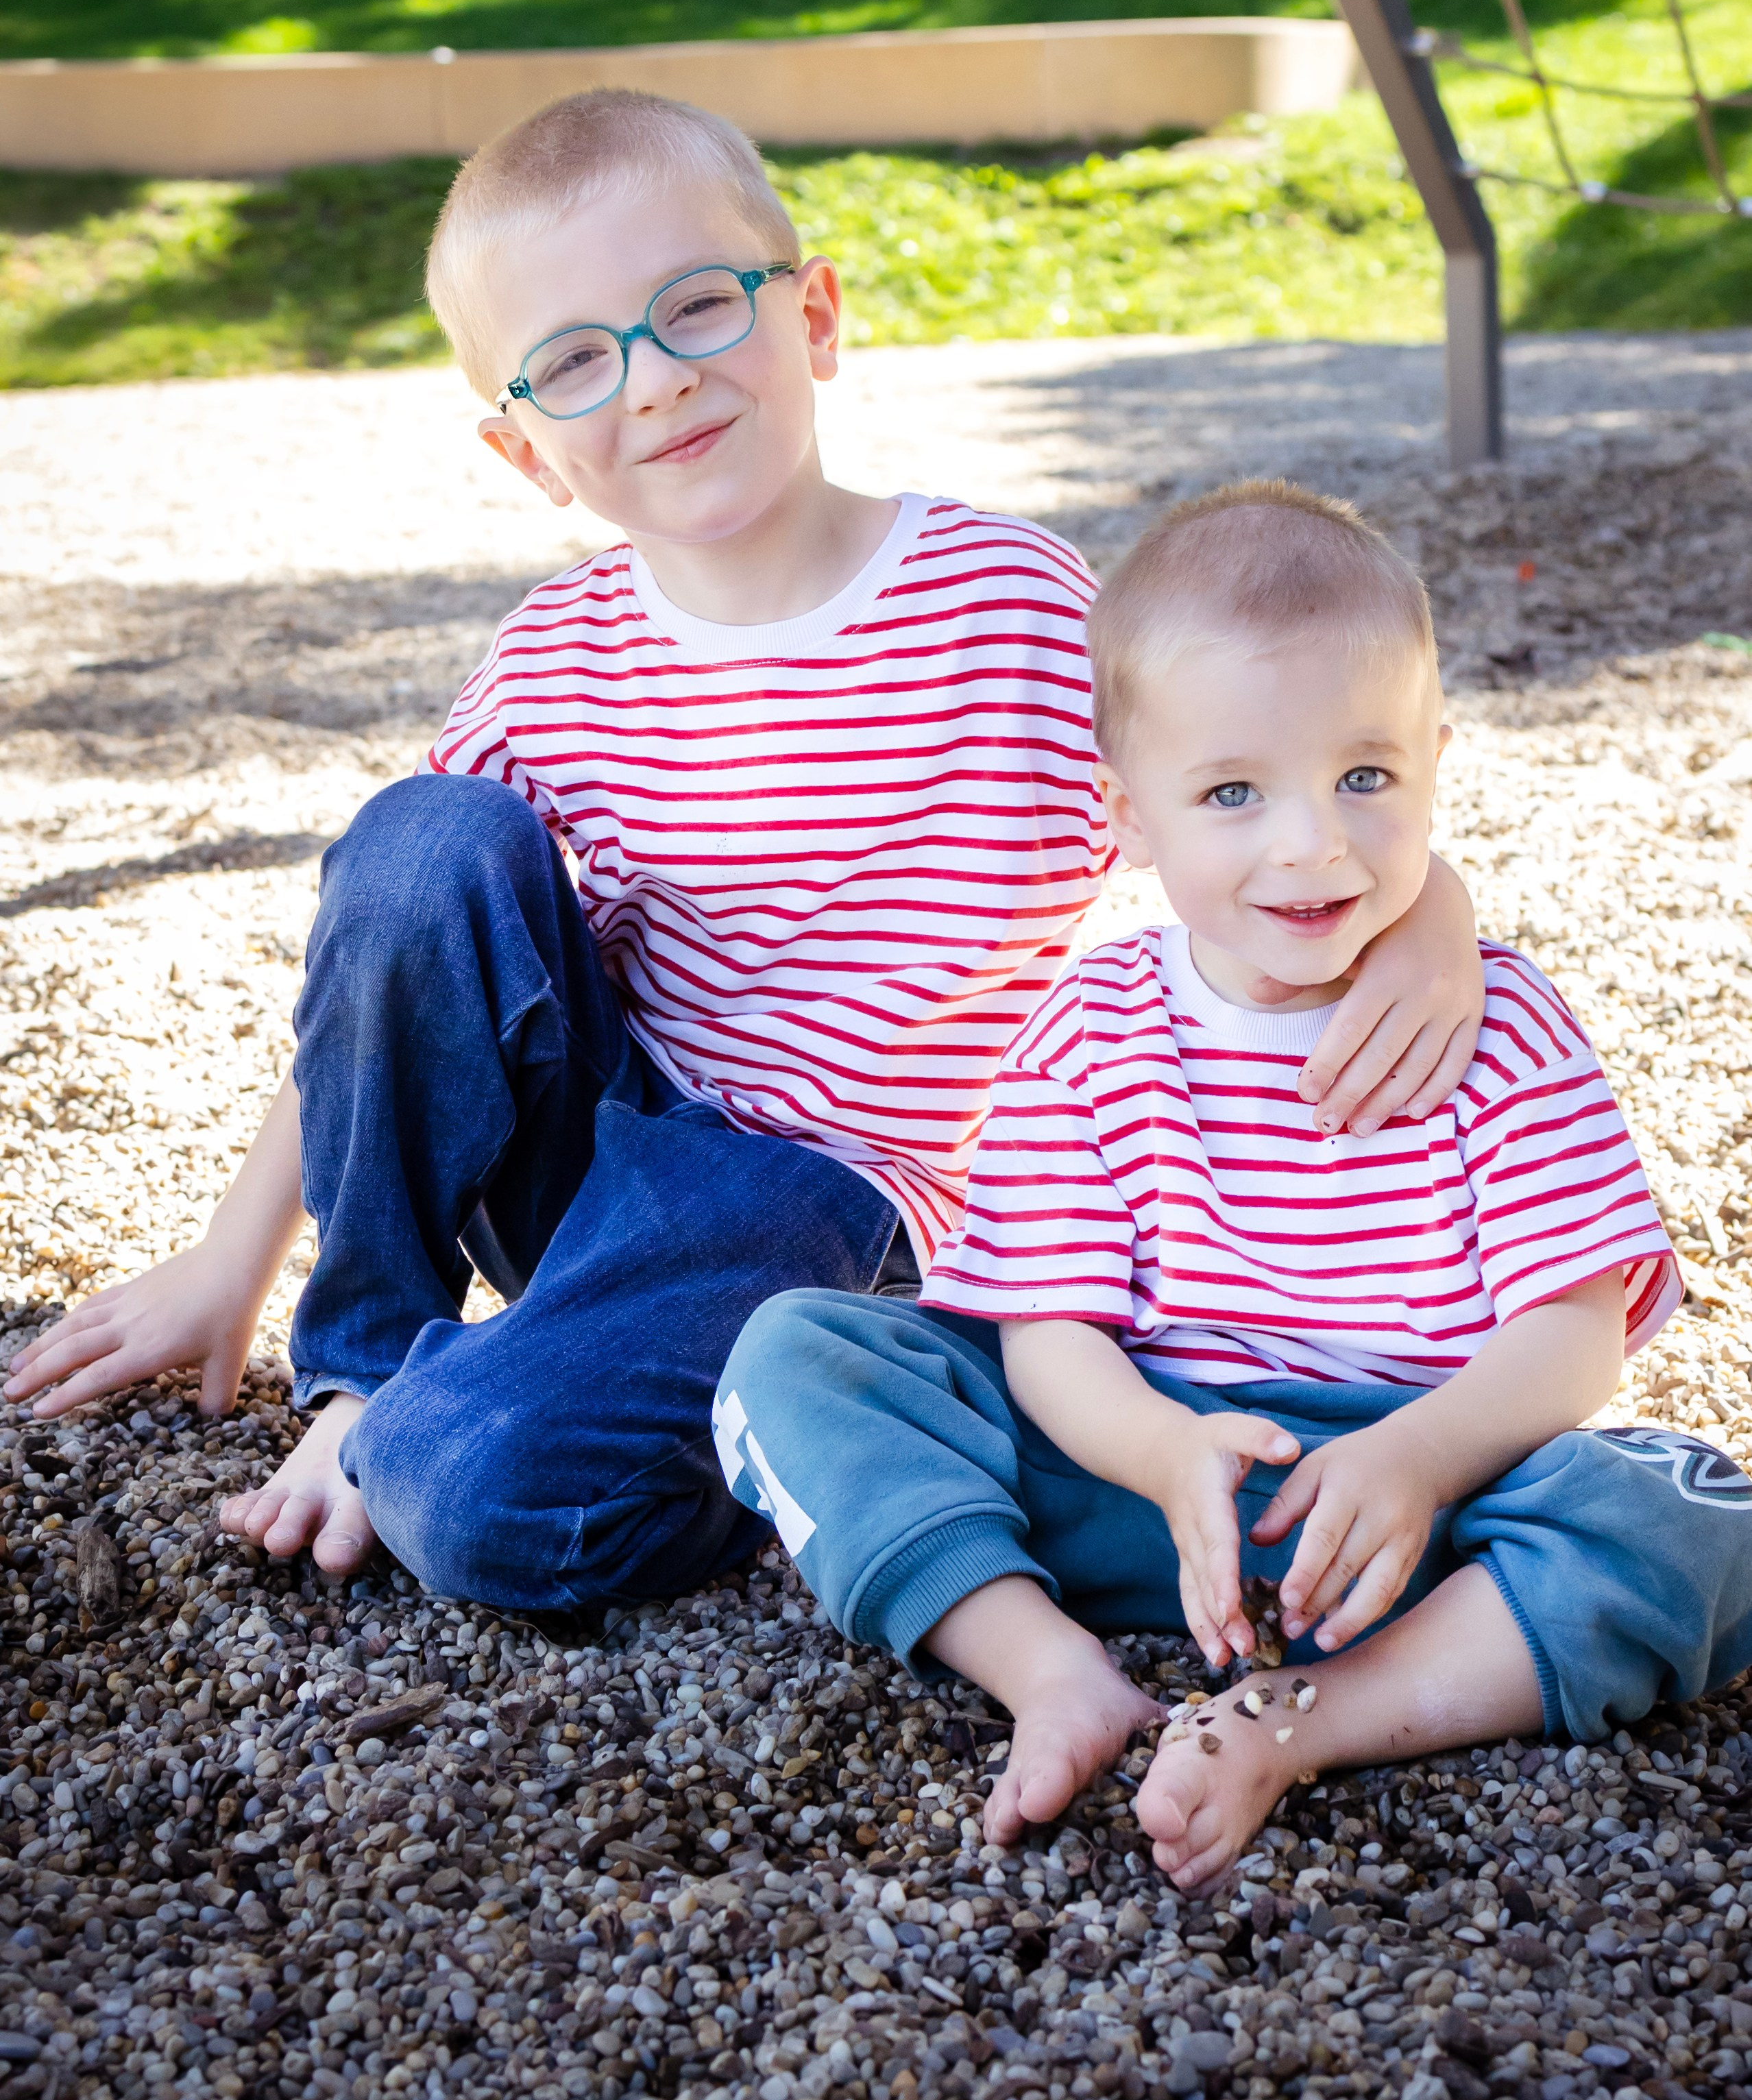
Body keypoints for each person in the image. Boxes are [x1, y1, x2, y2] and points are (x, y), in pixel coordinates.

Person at [3, 100, 1485, 1617]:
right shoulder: (555, 663)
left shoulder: (1012, 610)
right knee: (420, 839)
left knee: (475, 1501)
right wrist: (226, 1262)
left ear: (816, 315)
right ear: (527, 452)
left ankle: (774, 1419)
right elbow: (389, 974)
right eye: (577, 358)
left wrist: (1435, 910)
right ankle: (360, 1379)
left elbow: (1251, 781)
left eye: (697, 306)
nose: (654, 382)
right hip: (600, 1163)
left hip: (840, 1205)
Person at [714, 480, 1752, 1891]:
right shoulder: (1091, 1028)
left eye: (1366, 778)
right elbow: (1051, 1333)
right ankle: (1046, 1665)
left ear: (1439, 764)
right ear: (1127, 813)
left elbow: (1572, 1331)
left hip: (1422, 1507)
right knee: (800, 1352)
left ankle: (1304, 1717)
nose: (1312, 845)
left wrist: (1419, 1456)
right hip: (1139, 1480)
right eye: (1233, 793)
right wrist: (1159, 1449)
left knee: (1685, 1508)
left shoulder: (1496, 1021)